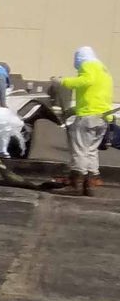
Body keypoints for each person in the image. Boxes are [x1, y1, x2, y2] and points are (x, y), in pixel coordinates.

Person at [59, 44, 113, 195]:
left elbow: (86, 80)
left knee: (80, 150)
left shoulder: (88, 65)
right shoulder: (104, 71)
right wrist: (74, 110)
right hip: (102, 117)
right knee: (91, 150)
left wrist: (63, 82)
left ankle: (75, 185)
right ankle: (89, 185)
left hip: (88, 118)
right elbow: (95, 97)